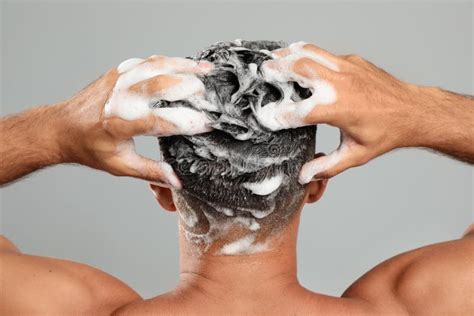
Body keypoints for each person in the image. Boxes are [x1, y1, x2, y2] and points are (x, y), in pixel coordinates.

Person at [0, 41, 472, 315]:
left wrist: (57, 131)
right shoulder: (415, 304)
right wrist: (415, 110)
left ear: (164, 190)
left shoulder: (66, 308)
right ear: (317, 184)